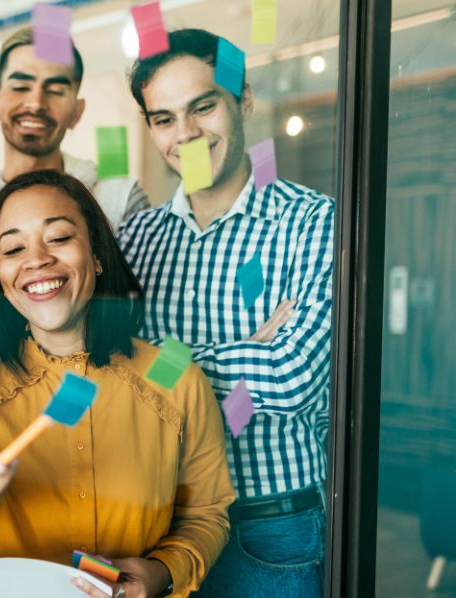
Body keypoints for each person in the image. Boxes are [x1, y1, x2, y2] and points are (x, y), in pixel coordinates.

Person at [0, 170, 233, 598]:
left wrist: (164, 571)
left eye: (58, 238)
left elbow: (207, 513)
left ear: (96, 255)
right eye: (14, 247)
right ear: (0, 276)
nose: (36, 259)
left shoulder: (174, 372)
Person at [119, 29, 335, 598]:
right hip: (154, 526)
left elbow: (291, 378)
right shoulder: (132, 241)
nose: (185, 133)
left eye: (203, 106)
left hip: (265, 528)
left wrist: (161, 369)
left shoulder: (313, 223)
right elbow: (108, 380)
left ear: (243, 101)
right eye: (164, 118)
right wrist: (250, 352)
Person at [0, 27, 150, 229]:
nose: (36, 103)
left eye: (56, 91)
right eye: (20, 87)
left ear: (77, 112)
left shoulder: (120, 202)